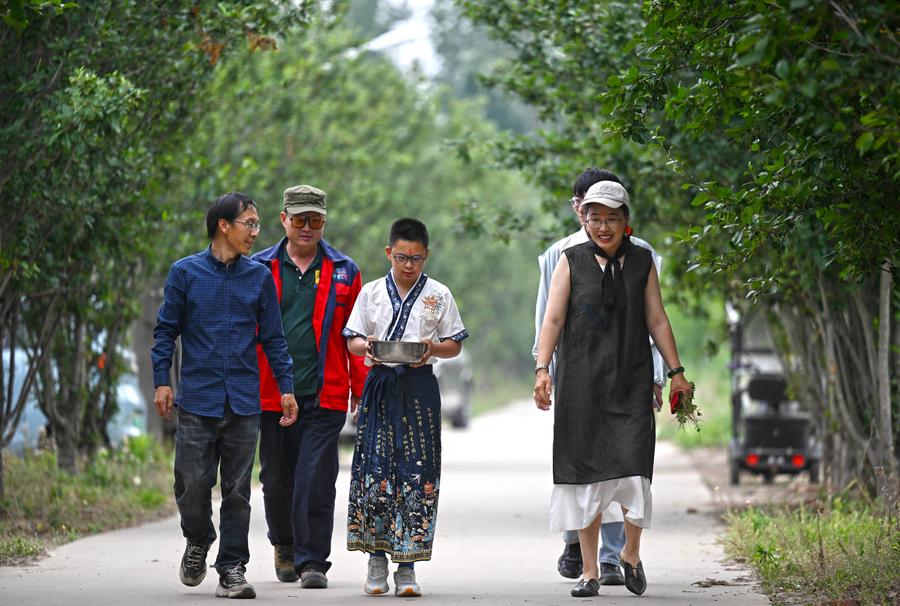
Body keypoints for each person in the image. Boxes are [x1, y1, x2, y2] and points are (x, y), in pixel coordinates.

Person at [533, 180, 691, 598]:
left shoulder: (642, 262)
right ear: (584, 220)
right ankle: (588, 571)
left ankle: (631, 555)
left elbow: (657, 320)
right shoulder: (569, 261)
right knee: (584, 475)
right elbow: (552, 320)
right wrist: (542, 368)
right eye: (595, 218)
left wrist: (676, 372)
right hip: (581, 385)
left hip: (631, 380)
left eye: (612, 219)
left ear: (626, 223)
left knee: (635, 468)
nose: (603, 227)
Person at [151, 192, 298, 600]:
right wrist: (162, 380)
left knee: (237, 491)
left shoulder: (259, 278)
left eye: (256, 224)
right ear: (223, 225)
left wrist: (286, 387)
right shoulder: (185, 273)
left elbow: (273, 338)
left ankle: (232, 567)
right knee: (190, 485)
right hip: (197, 400)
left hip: (243, 402)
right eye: (249, 223)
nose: (255, 232)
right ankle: (198, 540)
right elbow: (165, 332)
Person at [342, 218, 468, 597]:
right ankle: (376, 561)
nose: (408, 265)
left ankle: (407, 566)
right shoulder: (371, 293)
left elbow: (454, 344)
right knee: (375, 468)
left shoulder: (440, 294)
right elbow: (351, 340)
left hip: (420, 387)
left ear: (426, 255)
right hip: (380, 385)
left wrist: (431, 350)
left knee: (417, 472)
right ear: (389, 254)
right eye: (401, 258)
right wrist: (368, 346)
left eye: (416, 258)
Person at [253, 184, 368, 589]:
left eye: (314, 220)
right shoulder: (259, 267)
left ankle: (313, 560)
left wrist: (361, 389)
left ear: (324, 222)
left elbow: (356, 336)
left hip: (326, 392)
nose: (306, 227)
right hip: (272, 393)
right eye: (299, 219)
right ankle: (283, 543)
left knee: (316, 477)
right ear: (283, 219)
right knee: (276, 478)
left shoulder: (344, 270)